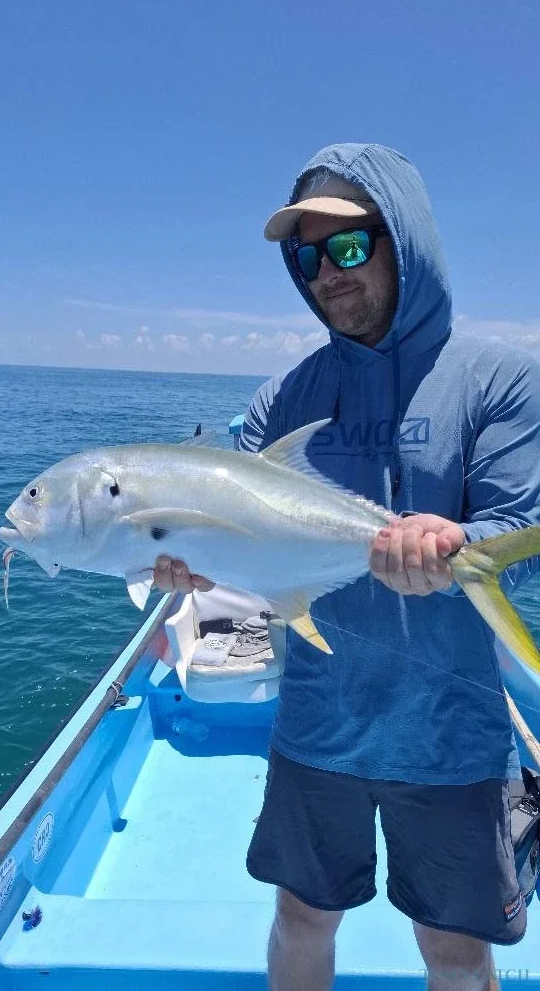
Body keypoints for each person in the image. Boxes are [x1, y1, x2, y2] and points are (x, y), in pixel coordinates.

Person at [154, 143, 540, 991]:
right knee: (301, 920)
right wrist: (191, 561)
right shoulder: (284, 399)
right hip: (316, 723)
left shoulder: (500, 379)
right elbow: (234, 526)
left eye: (350, 245)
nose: (328, 272)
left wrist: (456, 540)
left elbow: (515, 534)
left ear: (406, 238)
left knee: (454, 951)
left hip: (452, 734)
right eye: (308, 258)